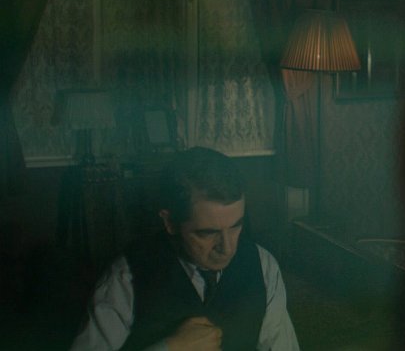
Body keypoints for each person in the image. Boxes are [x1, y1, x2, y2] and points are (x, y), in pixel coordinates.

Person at [70, 147, 299, 351]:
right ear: (170, 222)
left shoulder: (263, 266)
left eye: (235, 226)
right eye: (207, 233)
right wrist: (170, 348)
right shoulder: (126, 277)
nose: (227, 248)